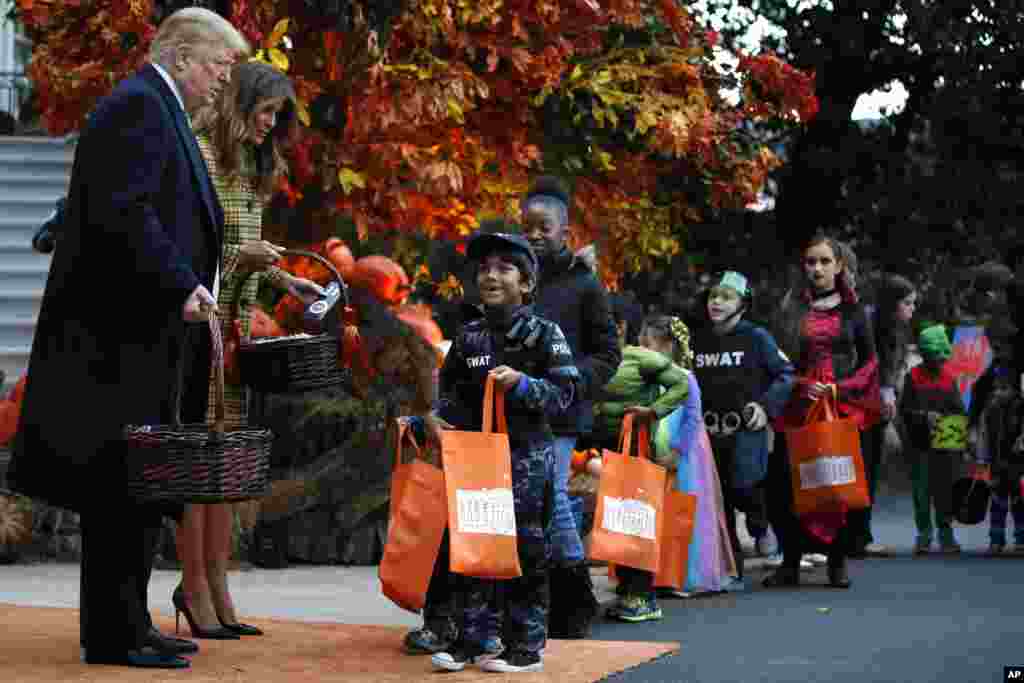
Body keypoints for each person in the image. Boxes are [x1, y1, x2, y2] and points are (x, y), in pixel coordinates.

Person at [6, 8, 250, 669]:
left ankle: (131, 621)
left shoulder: (154, 108)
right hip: (118, 341)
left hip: (142, 338)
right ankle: (114, 633)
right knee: (121, 489)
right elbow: (126, 212)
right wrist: (182, 283)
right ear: (183, 58)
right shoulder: (138, 108)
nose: (224, 84)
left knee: (139, 487)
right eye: (220, 68)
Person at [172, 61, 324, 640]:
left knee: (224, 471)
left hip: (235, 334)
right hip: (200, 328)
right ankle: (195, 586)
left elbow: (241, 249)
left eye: (276, 117)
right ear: (238, 106)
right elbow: (199, 257)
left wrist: (285, 281)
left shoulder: (251, 169)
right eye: (264, 113)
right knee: (200, 467)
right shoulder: (203, 162)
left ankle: (216, 585)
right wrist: (246, 262)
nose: (269, 125)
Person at [419, 229, 580, 673]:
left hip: (527, 461)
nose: (491, 276)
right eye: (485, 268)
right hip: (475, 461)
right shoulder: (467, 336)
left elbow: (566, 395)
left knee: (524, 552)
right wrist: (432, 417)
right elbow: (450, 393)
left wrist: (524, 384)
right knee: (473, 546)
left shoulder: (545, 334)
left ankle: (524, 647)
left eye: (504, 268)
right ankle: (471, 641)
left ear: (526, 284)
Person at [521, 176, 620, 638]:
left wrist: (571, 379)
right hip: (520, 406)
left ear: (566, 233)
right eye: (528, 228)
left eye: (544, 228)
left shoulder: (585, 286)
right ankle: (546, 598)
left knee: (555, 494)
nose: (535, 236)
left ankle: (576, 595)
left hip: (562, 411)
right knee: (535, 498)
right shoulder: (518, 281)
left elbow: (608, 354)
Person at [764, 234, 881, 590]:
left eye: (824, 261)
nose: (817, 268)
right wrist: (800, 384)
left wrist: (840, 388)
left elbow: (871, 361)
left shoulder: (854, 312)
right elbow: (778, 360)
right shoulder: (790, 309)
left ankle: (837, 561)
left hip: (840, 407)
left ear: (839, 266)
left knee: (836, 481)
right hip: (799, 407)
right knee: (788, 482)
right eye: (811, 262)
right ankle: (790, 562)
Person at [691, 271, 795, 587]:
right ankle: (731, 567)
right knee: (717, 498)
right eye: (713, 296)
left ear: (743, 304)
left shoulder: (757, 337)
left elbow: (786, 374)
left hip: (745, 431)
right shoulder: (698, 338)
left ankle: (760, 525)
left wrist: (765, 407)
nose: (717, 302)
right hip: (708, 432)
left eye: (726, 296)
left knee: (745, 487)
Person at [594, 314, 691, 622]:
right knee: (618, 518)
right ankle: (629, 590)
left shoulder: (641, 358)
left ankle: (642, 596)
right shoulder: (587, 359)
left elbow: (682, 384)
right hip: (607, 448)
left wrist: (653, 412)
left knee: (636, 518)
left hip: (639, 448)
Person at [659, 316, 739, 596]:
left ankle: (689, 574)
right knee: (664, 512)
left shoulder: (685, 377)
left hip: (686, 453)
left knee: (687, 508)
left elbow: (693, 417)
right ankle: (664, 573)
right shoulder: (650, 376)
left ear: (669, 347)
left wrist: (678, 450)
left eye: (650, 344)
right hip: (660, 447)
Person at [847, 274, 917, 557]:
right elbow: (876, 368)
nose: (912, 310)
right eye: (908, 303)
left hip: (875, 409)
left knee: (867, 470)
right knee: (864, 470)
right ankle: (857, 536)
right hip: (864, 409)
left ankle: (859, 534)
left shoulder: (896, 329)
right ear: (893, 304)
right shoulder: (874, 326)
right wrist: (886, 392)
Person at [899, 325, 965, 554]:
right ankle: (924, 534)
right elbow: (904, 411)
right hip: (919, 445)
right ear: (924, 355)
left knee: (945, 490)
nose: (936, 361)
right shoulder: (913, 377)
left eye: (939, 356)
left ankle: (946, 535)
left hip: (946, 443)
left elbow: (958, 412)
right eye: (931, 356)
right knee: (921, 491)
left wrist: (960, 439)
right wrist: (924, 417)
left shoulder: (949, 378)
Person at [969, 318, 1024, 554]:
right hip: (998, 446)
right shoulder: (993, 373)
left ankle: (1020, 537)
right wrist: (977, 443)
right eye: (995, 345)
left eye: (1002, 344)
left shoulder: (1017, 370)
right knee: (999, 493)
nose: (998, 349)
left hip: (1017, 445)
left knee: (1019, 495)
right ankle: (996, 538)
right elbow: (978, 395)